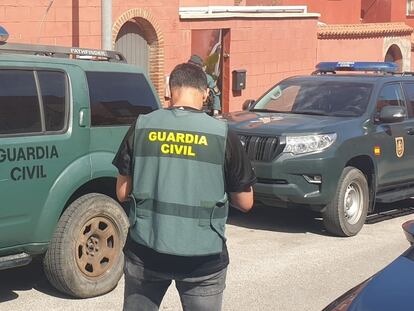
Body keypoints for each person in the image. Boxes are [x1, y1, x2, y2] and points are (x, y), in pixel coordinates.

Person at [113, 62, 256, 311]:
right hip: (203, 260)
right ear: (205, 93)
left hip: (146, 252)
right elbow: (245, 203)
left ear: (170, 90)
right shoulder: (222, 134)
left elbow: (122, 193)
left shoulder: (142, 126)